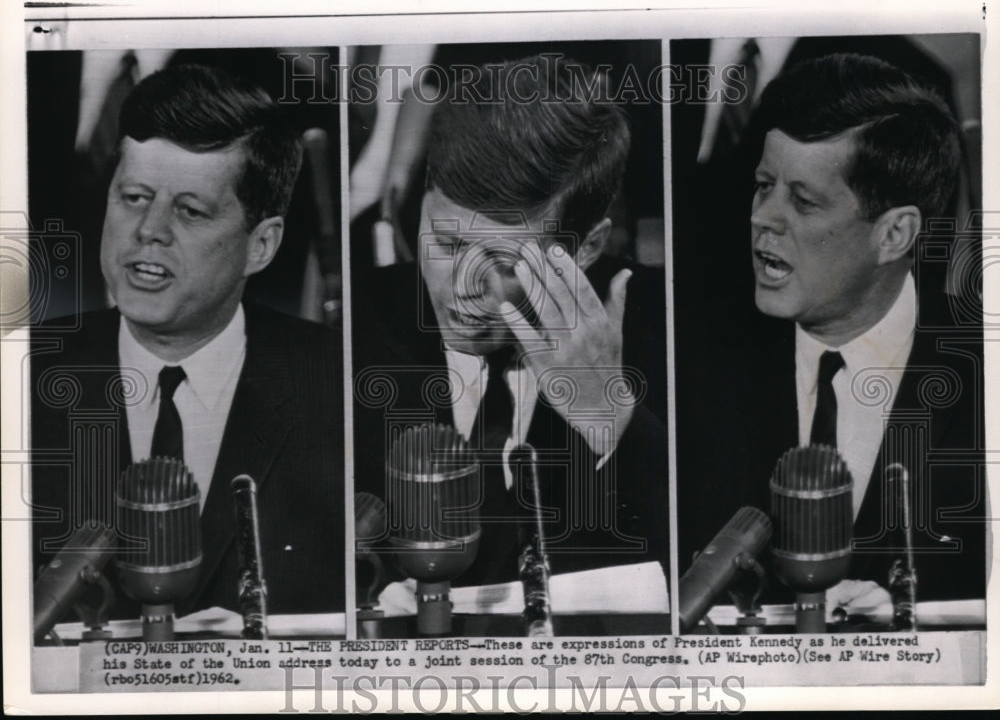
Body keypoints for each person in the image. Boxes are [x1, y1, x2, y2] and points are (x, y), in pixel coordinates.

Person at [31, 64, 344, 623]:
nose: (149, 229)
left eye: (189, 210)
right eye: (133, 197)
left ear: (261, 245)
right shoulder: (20, 375)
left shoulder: (339, 384)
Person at [676, 53, 984, 612]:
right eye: (763, 185)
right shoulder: (691, 357)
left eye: (803, 201)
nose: (762, 219)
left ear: (894, 234)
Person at [352, 55, 668, 592]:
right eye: (447, 243)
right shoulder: (352, 330)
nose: (461, 287)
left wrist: (611, 419)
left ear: (586, 248)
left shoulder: (667, 329)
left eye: (502, 262)